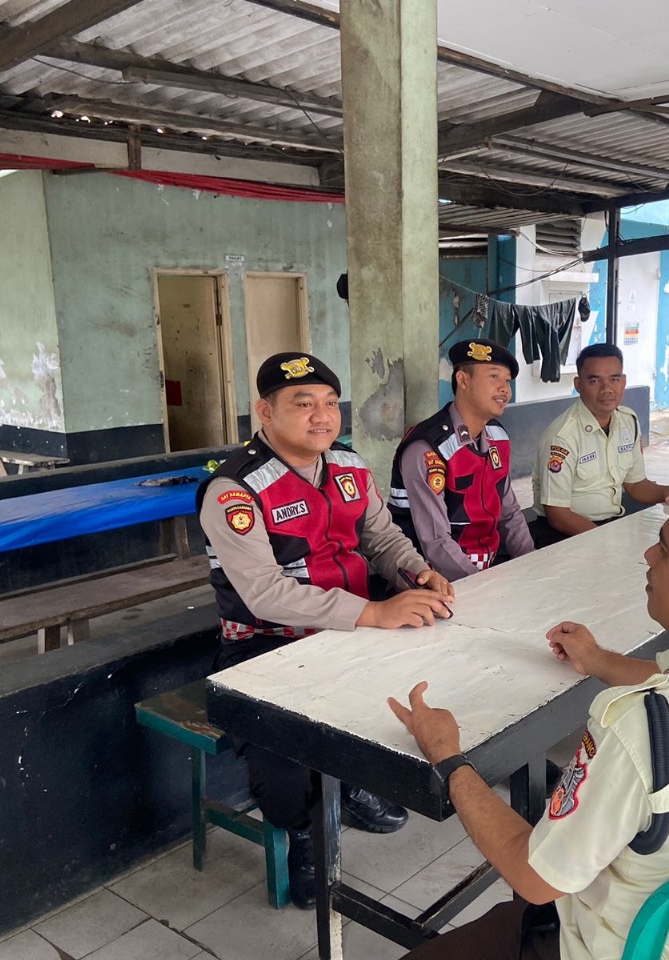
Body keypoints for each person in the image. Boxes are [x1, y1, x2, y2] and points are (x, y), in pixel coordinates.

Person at [388, 468, 669, 960]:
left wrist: (450, 758)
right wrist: (599, 660)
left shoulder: (642, 730)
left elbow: (534, 877)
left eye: (664, 549)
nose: (649, 556)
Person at [198, 351, 455, 908]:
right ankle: (304, 834)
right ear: (265, 412)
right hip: (265, 647)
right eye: (303, 404)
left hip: (346, 633)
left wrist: (417, 571)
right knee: (285, 772)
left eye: (330, 403)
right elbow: (264, 593)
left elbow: (382, 539)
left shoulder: (347, 466)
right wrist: (374, 613)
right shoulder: (235, 489)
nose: (322, 416)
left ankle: (353, 783)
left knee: (408, 695)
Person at [389, 338, 534, 581]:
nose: (505, 389)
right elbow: (436, 541)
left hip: (487, 568)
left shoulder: (498, 436)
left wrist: (532, 563)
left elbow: (509, 513)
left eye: (507, 381)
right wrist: (481, 584)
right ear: (463, 380)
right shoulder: (428, 448)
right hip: (434, 579)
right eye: (494, 377)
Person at [530, 343, 669, 547]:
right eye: (594, 381)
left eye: (614, 379)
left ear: (623, 381)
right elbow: (558, 515)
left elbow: (635, 485)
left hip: (609, 526)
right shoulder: (562, 437)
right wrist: (605, 541)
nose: (607, 389)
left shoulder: (628, 421)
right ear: (578, 384)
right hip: (563, 535)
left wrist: (667, 492)